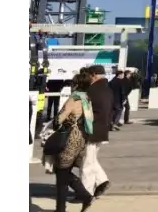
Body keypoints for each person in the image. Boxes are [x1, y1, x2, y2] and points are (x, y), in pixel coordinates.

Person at [51, 72, 94, 212]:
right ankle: (61, 208)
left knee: (61, 172)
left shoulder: (73, 99)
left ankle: (85, 196)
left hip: (69, 139)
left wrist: (54, 125)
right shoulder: (87, 99)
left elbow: (59, 119)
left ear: (76, 84)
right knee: (63, 173)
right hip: (81, 138)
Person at [81, 65, 113, 199]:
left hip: (91, 129)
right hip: (102, 129)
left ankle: (86, 193)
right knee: (92, 159)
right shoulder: (107, 89)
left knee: (87, 163)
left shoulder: (92, 90)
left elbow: (85, 111)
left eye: (89, 75)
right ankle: (102, 181)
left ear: (93, 74)